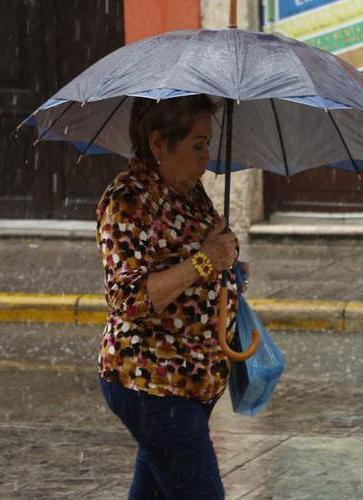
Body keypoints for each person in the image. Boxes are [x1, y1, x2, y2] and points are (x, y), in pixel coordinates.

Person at [97, 94, 245, 500]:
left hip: (193, 381)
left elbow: (209, 259)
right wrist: (205, 261)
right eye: (197, 145)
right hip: (154, 381)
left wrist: (229, 264)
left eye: (209, 144)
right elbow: (128, 299)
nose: (206, 157)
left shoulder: (189, 193)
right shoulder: (128, 200)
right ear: (159, 143)